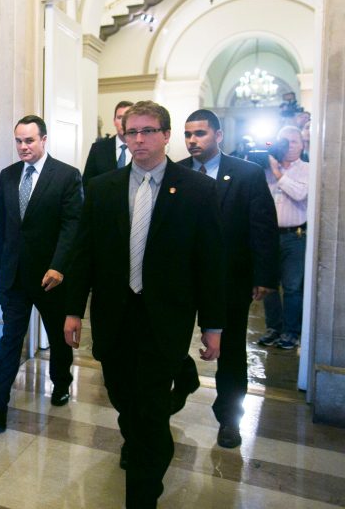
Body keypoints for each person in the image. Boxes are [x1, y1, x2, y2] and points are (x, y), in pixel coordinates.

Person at [63, 101, 225, 509]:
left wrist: (214, 325)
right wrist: (71, 311)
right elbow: (83, 254)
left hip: (164, 320)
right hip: (114, 317)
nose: (138, 140)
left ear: (166, 135)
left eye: (148, 131)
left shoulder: (198, 190)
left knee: (150, 415)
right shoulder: (103, 188)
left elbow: (210, 263)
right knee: (123, 399)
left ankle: (142, 494)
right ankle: (136, 440)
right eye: (131, 132)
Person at [171, 109, 279, 449]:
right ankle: (184, 379)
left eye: (200, 134)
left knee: (230, 352)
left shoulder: (246, 174)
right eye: (188, 134)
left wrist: (264, 275)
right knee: (170, 340)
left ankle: (229, 418)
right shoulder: (176, 173)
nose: (192, 141)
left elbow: (262, 226)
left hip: (230, 279)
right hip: (184, 280)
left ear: (218, 136)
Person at [0, 115, 83, 431]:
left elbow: (71, 226)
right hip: (14, 277)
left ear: (44, 140)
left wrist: (59, 265)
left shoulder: (66, 176)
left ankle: (61, 383)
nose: (23, 147)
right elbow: (2, 227)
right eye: (19, 141)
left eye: (29, 140)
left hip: (51, 278)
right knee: (9, 339)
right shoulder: (7, 176)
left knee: (59, 339)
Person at [258, 125, 310, 350]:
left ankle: (291, 332)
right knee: (268, 285)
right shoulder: (265, 168)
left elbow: (300, 194)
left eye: (294, 142)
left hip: (294, 236)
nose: (289, 146)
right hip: (268, 236)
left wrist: (278, 172)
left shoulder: (307, 169)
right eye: (283, 142)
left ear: (302, 145)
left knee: (291, 287)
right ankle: (273, 328)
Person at [82, 100, 133, 187]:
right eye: (120, 118)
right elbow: (87, 183)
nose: (124, 122)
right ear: (114, 121)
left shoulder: (142, 147)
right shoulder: (98, 149)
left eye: (128, 117)